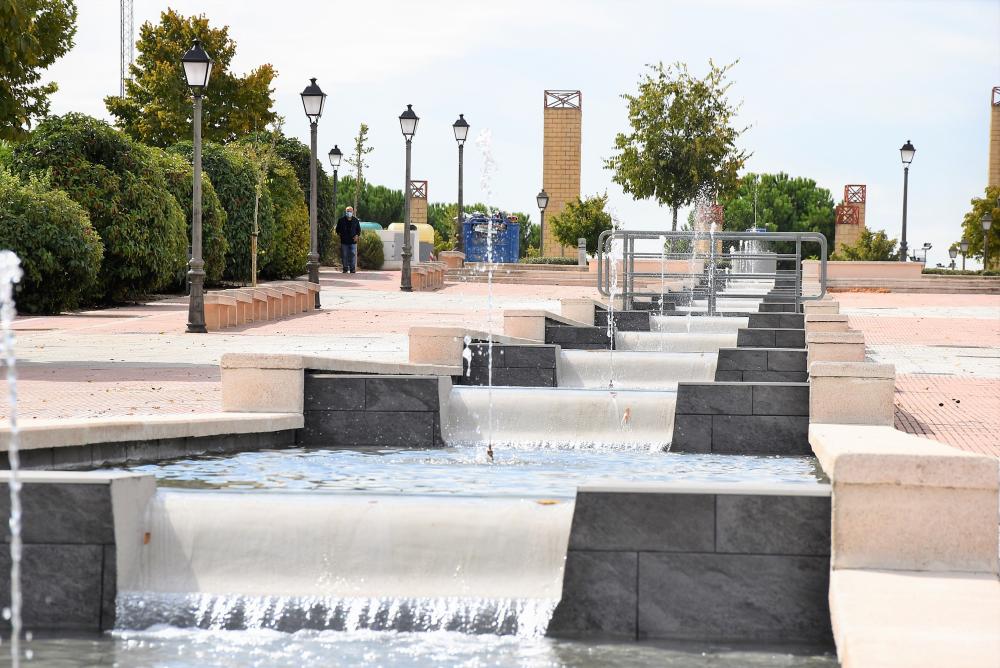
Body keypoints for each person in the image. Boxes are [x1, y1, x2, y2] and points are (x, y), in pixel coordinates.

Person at [335, 206, 361, 273]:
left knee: (353, 255)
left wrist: (357, 236)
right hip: (344, 241)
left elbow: (359, 230)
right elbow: (337, 230)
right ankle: (345, 269)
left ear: (353, 212)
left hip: (353, 242)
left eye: (350, 211)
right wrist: (340, 235)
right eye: (348, 211)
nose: (349, 212)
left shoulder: (356, 220)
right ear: (345, 212)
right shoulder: (341, 220)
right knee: (344, 255)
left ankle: (352, 269)